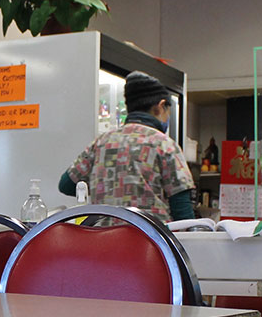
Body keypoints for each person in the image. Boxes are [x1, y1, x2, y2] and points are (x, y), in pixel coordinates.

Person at [59, 71, 195, 223]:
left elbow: (66, 185)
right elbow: (182, 209)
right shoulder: (164, 145)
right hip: (149, 240)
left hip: (102, 240)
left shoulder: (100, 143)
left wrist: (104, 187)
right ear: (160, 106)